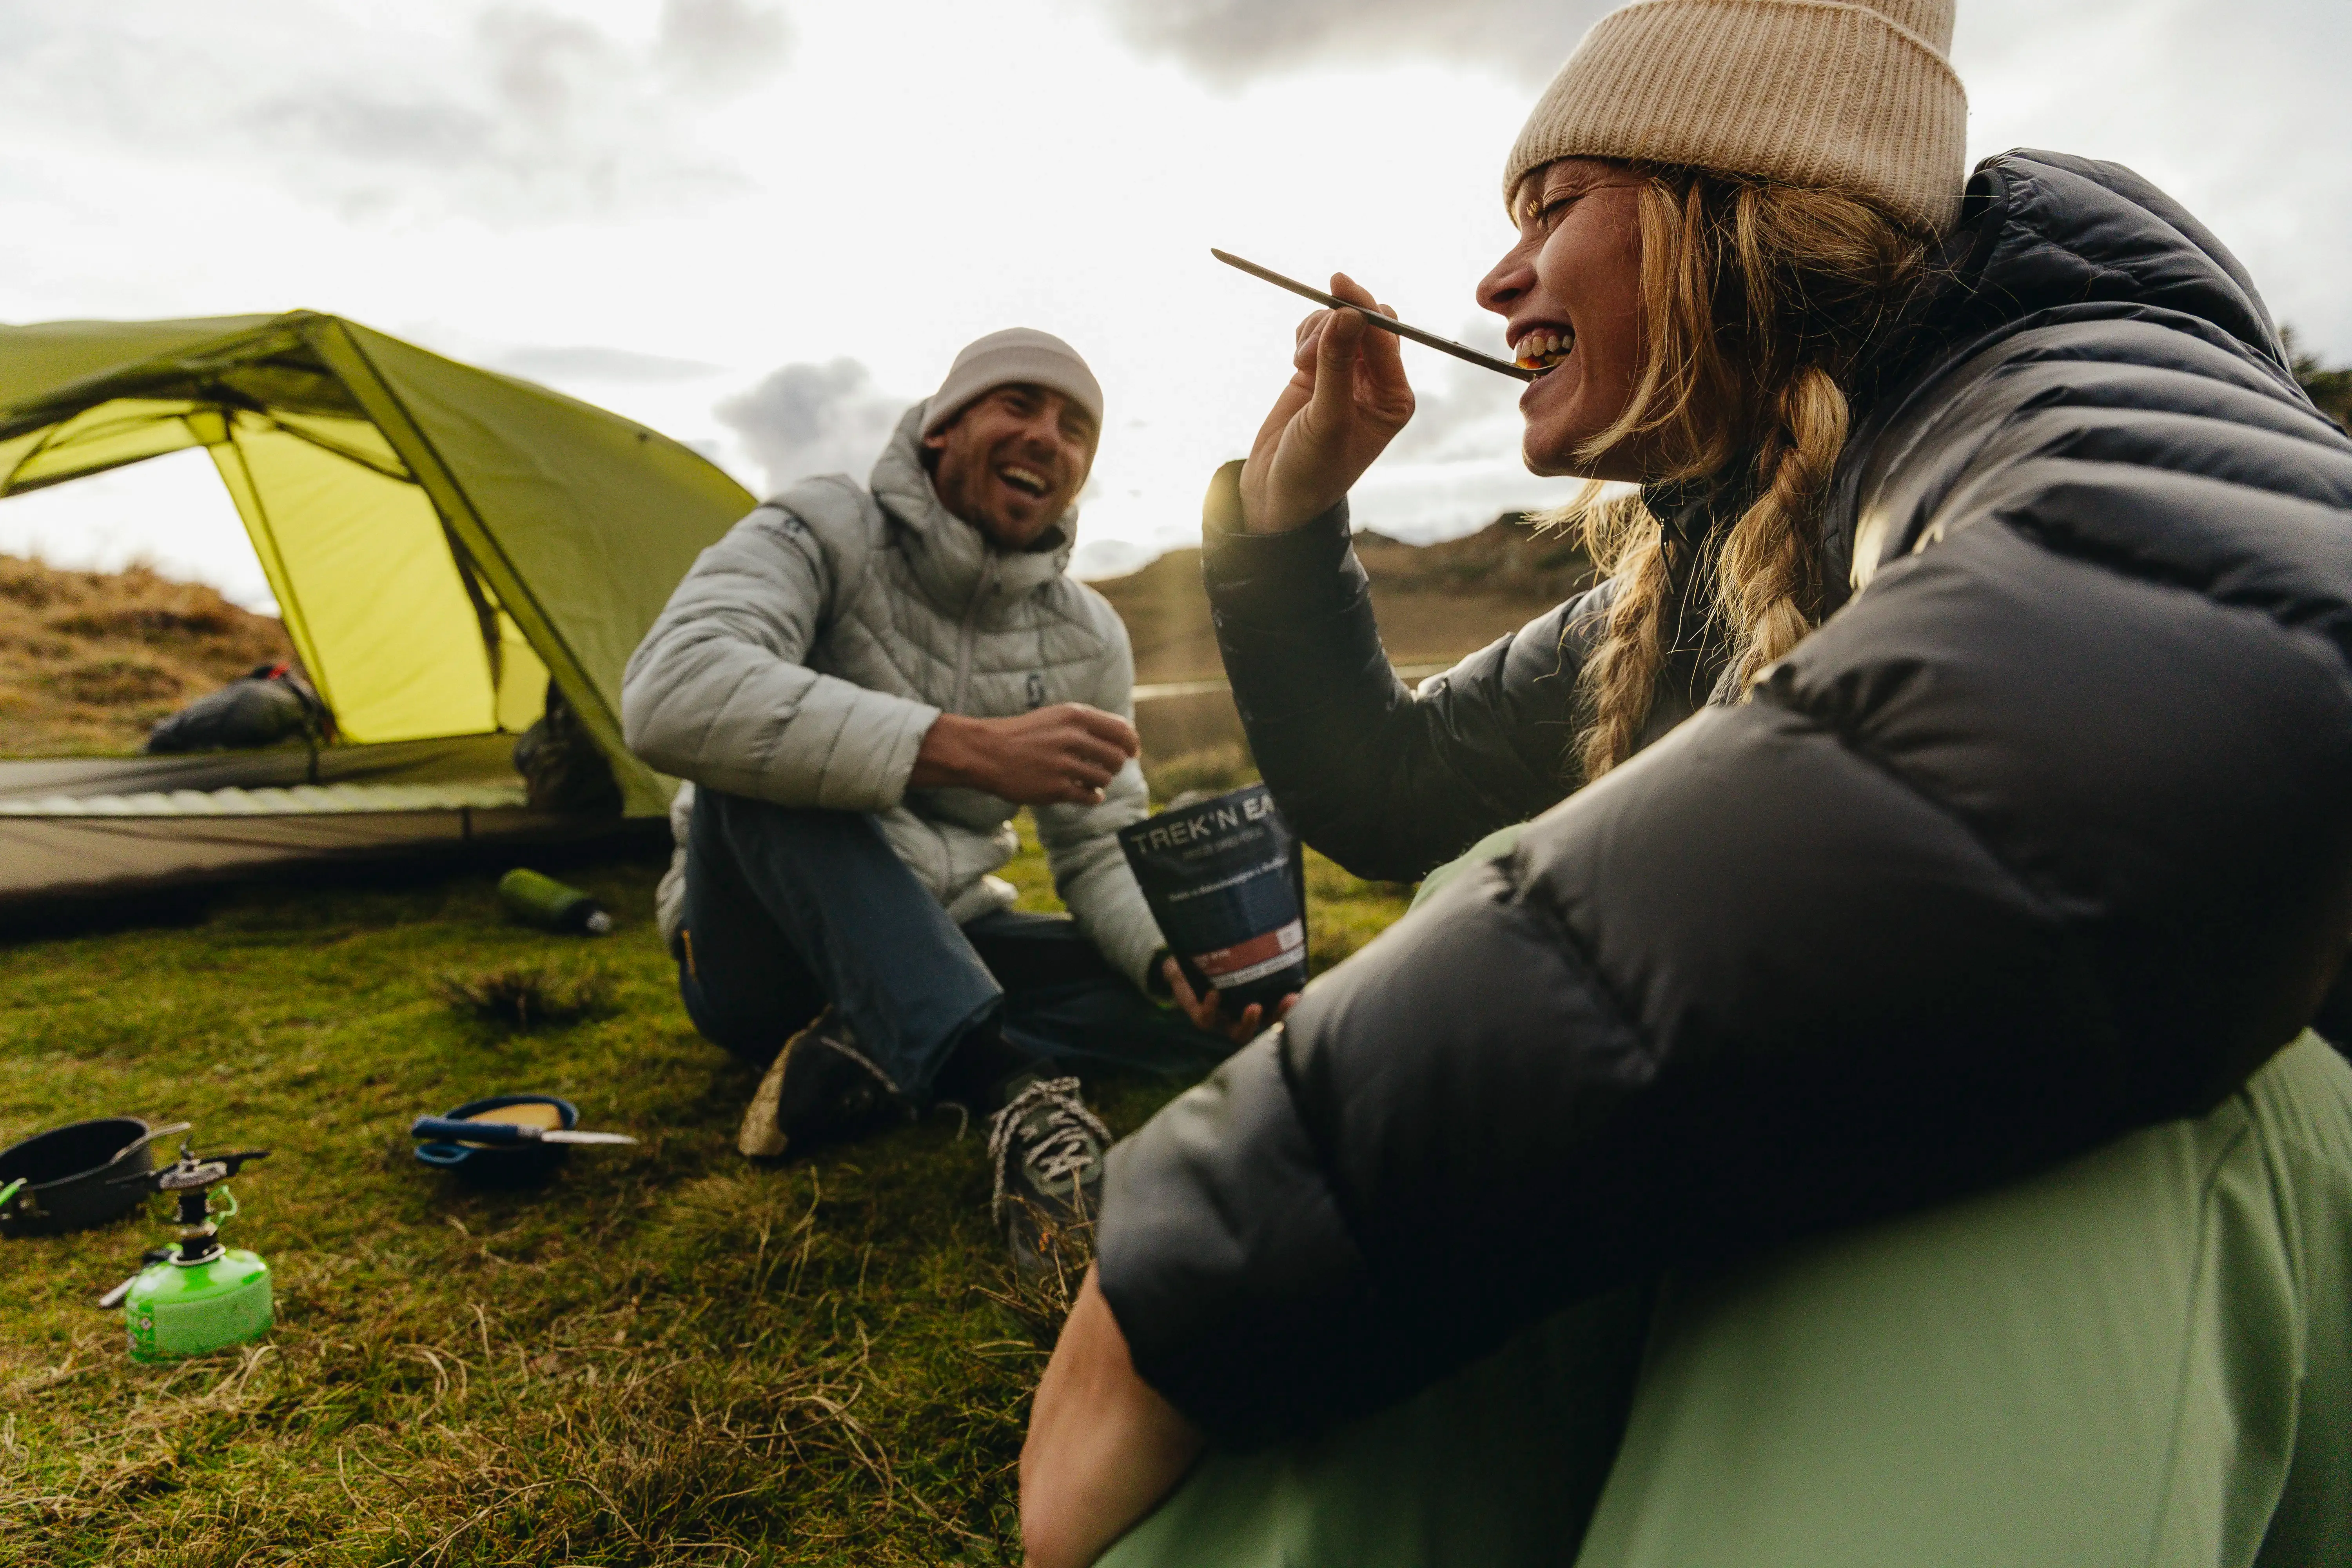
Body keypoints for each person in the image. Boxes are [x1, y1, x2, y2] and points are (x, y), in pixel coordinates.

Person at [1020, 2, 2352, 1563]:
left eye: (1555, 208)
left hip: (2235, 1213)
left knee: (2067, 1102)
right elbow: (1390, 788)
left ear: (1735, 206)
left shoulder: (2069, 359)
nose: (1496, 280)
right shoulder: (1694, 556)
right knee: (1513, 895)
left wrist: (1243, 1219)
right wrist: (1288, 522)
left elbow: (2195, 697)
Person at [622, 329, 1279, 1277]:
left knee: (1201, 1002)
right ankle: (1016, 1099)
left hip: (943, 936)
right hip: (758, 948)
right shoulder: (818, 527)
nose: (1048, 437)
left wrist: (1171, 952)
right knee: (761, 762)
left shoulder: (1086, 632)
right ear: (941, 429)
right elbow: (673, 689)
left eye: (1076, 427)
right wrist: (961, 748)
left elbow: (1099, 844)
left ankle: (870, 1053)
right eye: (1017, 405)